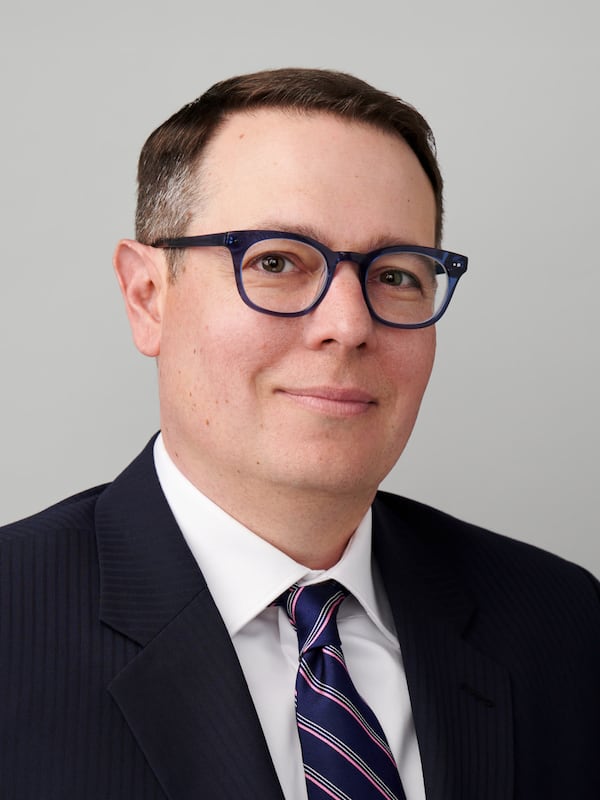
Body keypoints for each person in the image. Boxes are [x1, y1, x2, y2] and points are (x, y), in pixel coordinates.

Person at [0, 68, 598, 800]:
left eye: (398, 275)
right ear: (147, 296)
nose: (348, 325)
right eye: (277, 261)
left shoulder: (561, 624)